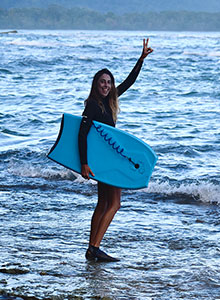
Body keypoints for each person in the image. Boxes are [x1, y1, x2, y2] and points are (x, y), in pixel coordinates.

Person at [78, 38, 153, 262]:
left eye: (109, 83)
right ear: (95, 84)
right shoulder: (92, 104)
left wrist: (141, 59)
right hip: (106, 161)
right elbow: (82, 134)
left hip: (106, 159)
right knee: (115, 203)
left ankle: (92, 248)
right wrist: (84, 163)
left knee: (103, 203)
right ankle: (95, 247)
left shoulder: (109, 102)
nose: (106, 86)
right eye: (103, 82)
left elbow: (129, 82)